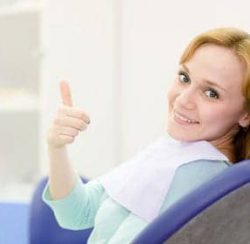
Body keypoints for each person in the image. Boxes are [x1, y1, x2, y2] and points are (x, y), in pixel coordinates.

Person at [43, 27, 250, 243]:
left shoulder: (197, 172)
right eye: (184, 78)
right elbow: (77, 213)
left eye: (211, 93)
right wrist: (56, 146)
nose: (182, 100)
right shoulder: (173, 153)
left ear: (245, 115)